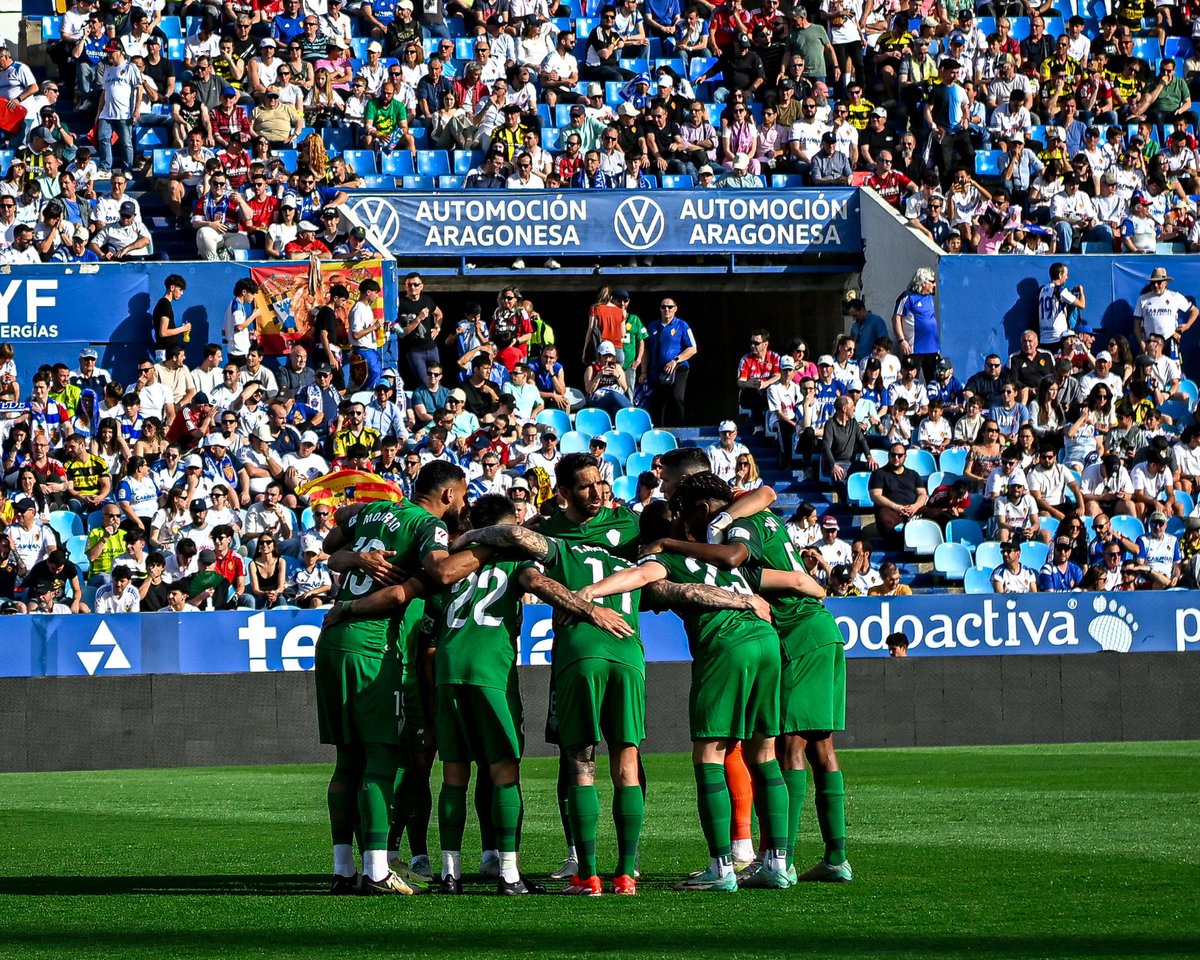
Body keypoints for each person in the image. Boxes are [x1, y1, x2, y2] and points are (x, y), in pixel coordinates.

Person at [316, 462, 473, 895]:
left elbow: (331, 545)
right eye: (462, 494)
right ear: (447, 495)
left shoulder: (374, 512)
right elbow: (440, 571)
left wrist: (348, 556)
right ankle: (378, 871)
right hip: (373, 646)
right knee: (381, 758)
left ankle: (343, 869)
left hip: (333, 642)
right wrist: (484, 550)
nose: (464, 502)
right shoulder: (427, 526)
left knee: (347, 761)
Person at [643, 297, 697, 427]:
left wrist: (676, 360)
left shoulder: (682, 325)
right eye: (663, 307)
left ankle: (680, 428)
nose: (667, 309)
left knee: (676, 397)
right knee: (657, 402)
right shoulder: (652, 326)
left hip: (678, 367)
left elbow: (693, 348)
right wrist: (643, 372)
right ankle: (658, 431)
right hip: (657, 370)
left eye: (670, 307)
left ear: (675, 308)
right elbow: (645, 350)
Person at [869, 443, 927, 548]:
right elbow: (875, 496)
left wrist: (915, 506)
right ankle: (902, 544)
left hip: (913, 509)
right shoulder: (879, 473)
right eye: (893, 455)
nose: (896, 458)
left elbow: (922, 493)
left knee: (939, 514)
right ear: (888, 456)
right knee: (884, 518)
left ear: (905, 457)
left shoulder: (913, 474)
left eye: (900, 455)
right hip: (892, 511)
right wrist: (897, 507)